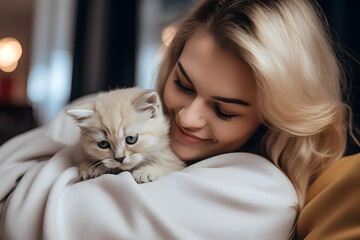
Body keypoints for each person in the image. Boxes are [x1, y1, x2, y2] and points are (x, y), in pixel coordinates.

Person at [0, 0, 357, 239]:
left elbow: (26, 219)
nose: (187, 118)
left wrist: (43, 171)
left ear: (275, 118)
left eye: (224, 110)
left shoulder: (259, 191)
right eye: (183, 84)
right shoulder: (113, 108)